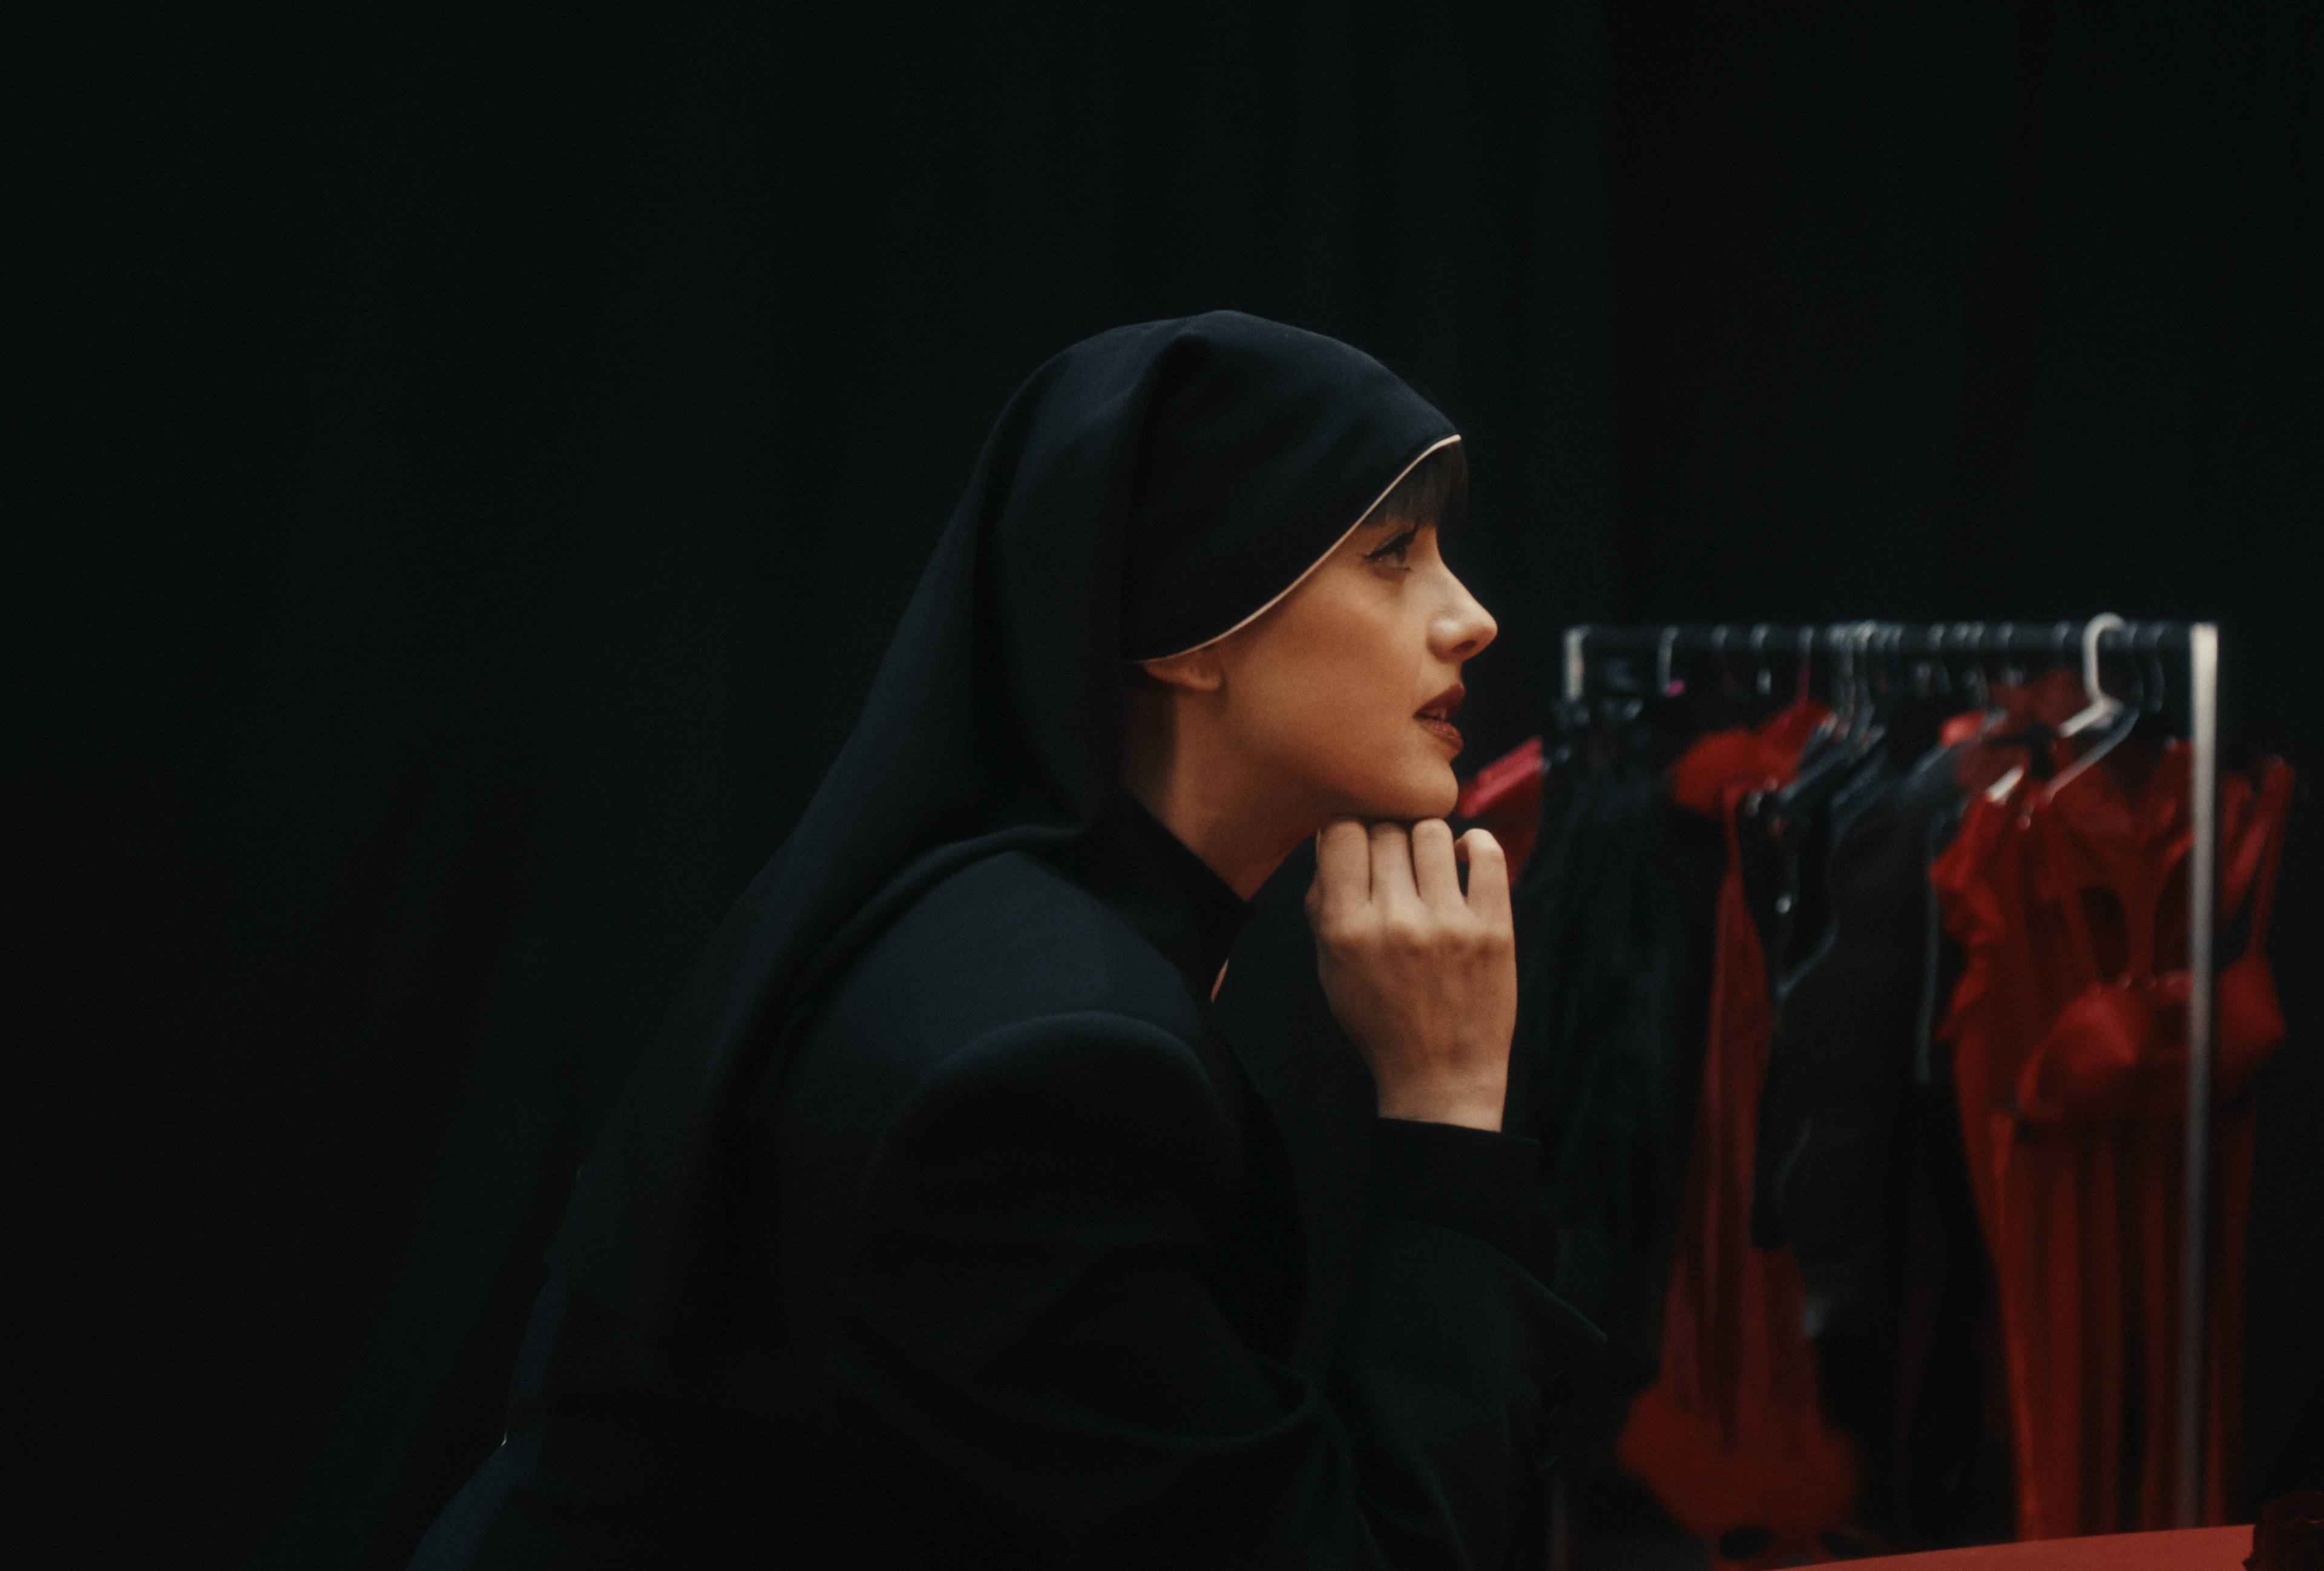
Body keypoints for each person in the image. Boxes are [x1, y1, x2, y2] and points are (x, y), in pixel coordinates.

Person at [409, 311, 1601, 1570]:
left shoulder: (1036, 950)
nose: (1473, 617)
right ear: (1189, 620)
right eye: (1392, 554)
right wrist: (1446, 1099)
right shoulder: (1037, 1069)